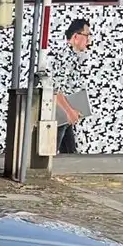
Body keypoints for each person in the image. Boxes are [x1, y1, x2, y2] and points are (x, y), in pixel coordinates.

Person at [52, 19, 92, 154]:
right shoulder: (65, 57)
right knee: (52, 152)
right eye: (87, 35)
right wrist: (69, 111)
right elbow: (55, 90)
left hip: (64, 114)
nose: (89, 41)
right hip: (60, 113)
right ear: (75, 37)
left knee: (69, 153)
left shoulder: (70, 56)